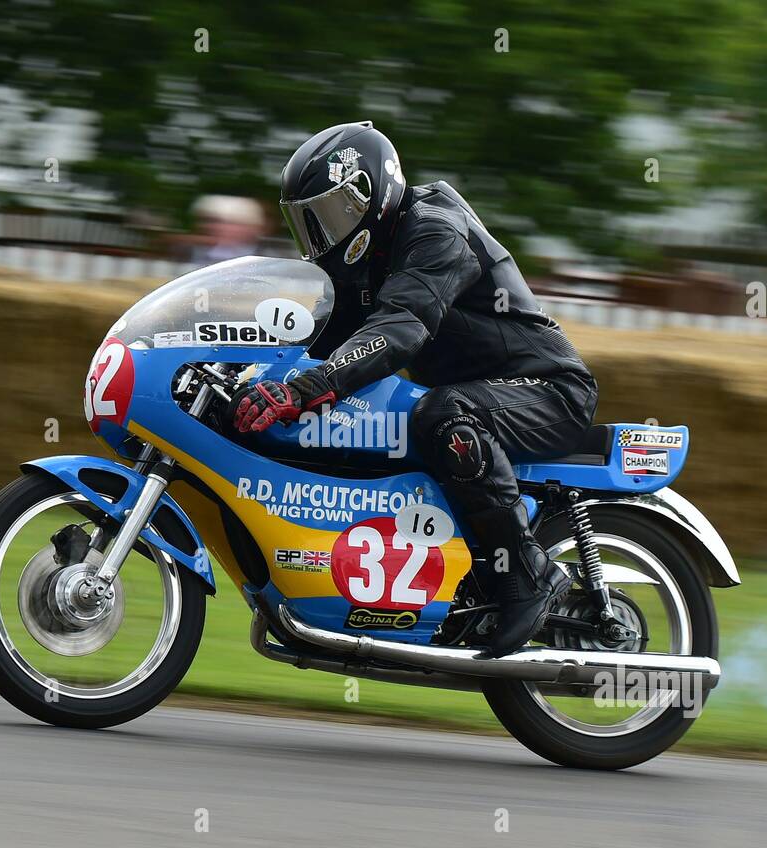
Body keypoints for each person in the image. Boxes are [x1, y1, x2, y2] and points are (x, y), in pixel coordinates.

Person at [229, 121, 598, 657]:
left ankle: (529, 575)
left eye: (329, 216)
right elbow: (320, 338)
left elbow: (401, 326)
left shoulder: (435, 230)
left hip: (547, 390)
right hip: (483, 395)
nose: (321, 238)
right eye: (306, 224)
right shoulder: (367, 262)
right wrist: (248, 378)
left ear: (369, 195)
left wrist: (311, 386)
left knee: (444, 414)